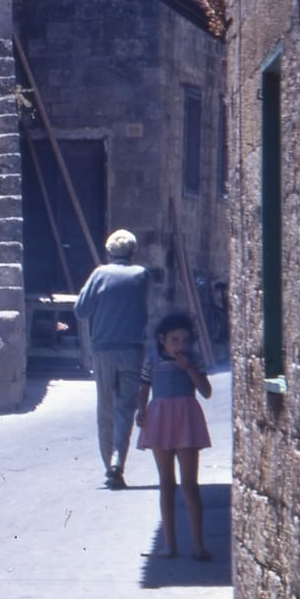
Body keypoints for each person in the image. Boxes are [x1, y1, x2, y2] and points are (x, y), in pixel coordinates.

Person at [73, 229, 149, 490]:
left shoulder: (99, 274)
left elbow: (81, 310)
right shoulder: (142, 275)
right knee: (125, 408)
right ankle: (119, 462)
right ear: (133, 252)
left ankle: (109, 466)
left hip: (104, 350)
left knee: (105, 408)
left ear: (109, 251)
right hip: (133, 350)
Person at [135, 312, 214, 561]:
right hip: (159, 419)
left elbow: (205, 391)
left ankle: (198, 545)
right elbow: (144, 388)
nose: (180, 345)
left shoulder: (194, 361)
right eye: (174, 340)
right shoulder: (152, 361)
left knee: (190, 484)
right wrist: (141, 410)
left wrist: (189, 368)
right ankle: (170, 544)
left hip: (186, 420)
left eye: (184, 340)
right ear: (162, 340)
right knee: (166, 483)